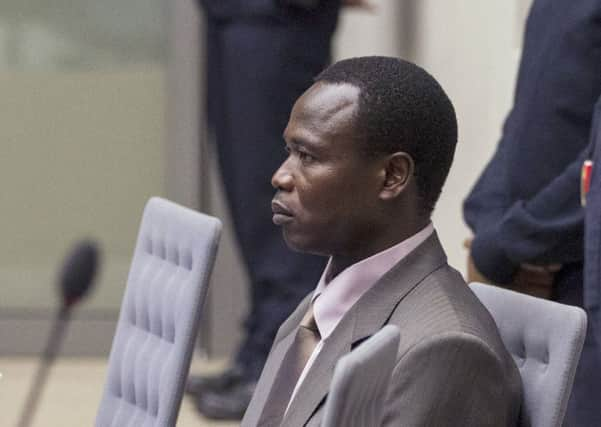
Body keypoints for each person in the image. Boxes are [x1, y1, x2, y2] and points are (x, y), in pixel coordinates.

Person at [242, 56, 522, 427]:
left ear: (392, 176)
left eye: (307, 156)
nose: (281, 176)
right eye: (289, 152)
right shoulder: (318, 307)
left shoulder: (443, 350)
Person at [187, 0, 343, 420]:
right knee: (248, 193)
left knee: (278, 185)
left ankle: (284, 370)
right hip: (233, 13)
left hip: (279, 17)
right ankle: (257, 350)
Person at [463, 0, 601, 424]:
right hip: (528, 273)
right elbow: (529, 115)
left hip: (575, 275)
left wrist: (510, 243)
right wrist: (491, 224)